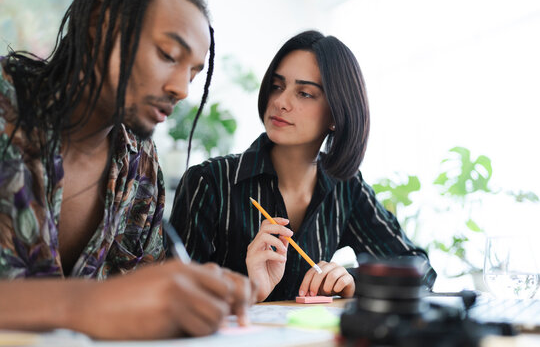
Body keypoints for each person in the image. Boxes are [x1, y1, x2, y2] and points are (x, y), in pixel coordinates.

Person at [0, 0, 255, 339]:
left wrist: (189, 297)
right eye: (168, 54)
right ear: (99, 22)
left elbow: (140, 305)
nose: (182, 89)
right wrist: (84, 305)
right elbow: (105, 304)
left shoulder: (142, 168)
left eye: (194, 74)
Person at [171, 30, 437, 302]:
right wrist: (247, 291)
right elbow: (171, 297)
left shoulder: (346, 187)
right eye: (277, 86)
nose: (280, 102)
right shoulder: (210, 181)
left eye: (305, 93)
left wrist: (351, 280)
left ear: (337, 113)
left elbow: (418, 271)